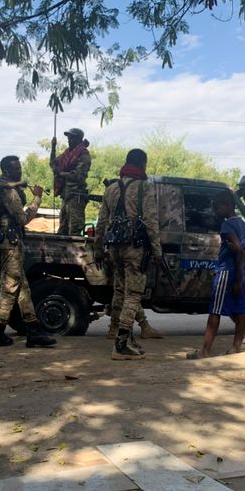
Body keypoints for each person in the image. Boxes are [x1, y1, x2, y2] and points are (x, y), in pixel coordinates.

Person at [95, 148, 162, 360]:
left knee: (122, 291)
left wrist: (98, 249)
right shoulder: (144, 187)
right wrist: (157, 250)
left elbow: (102, 223)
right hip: (135, 248)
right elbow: (151, 221)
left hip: (114, 247)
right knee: (133, 294)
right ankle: (122, 344)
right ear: (142, 165)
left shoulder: (111, 188)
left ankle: (125, 336)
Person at [0, 155, 56, 349]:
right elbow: (23, 218)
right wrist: (37, 198)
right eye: (16, 168)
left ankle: (33, 332)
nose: (20, 171)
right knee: (10, 290)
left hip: (2, 243)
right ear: (7, 171)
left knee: (23, 289)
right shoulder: (9, 192)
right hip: (10, 245)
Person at [186, 190, 245, 359]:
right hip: (244, 270)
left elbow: (239, 251)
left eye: (217, 207)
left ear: (227, 206)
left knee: (215, 311)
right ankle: (236, 347)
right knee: (240, 310)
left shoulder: (227, 225)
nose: (215, 211)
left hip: (228, 272)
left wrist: (236, 279)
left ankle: (205, 351)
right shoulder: (243, 224)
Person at [53, 128, 91, 235]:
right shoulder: (66, 154)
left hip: (76, 196)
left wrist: (61, 173)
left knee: (75, 229)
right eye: (68, 138)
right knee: (62, 230)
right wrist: (53, 147)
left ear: (79, 139)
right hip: (66, 196)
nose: (69, 140)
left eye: (72, 138)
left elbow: (79, 175)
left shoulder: (83, 154)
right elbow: (54, 164)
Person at [106, 275, 164, 340]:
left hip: (120, 265)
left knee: (120, 291)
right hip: (133, 267)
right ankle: (125, 334)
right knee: (133, 295)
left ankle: (114, 328)